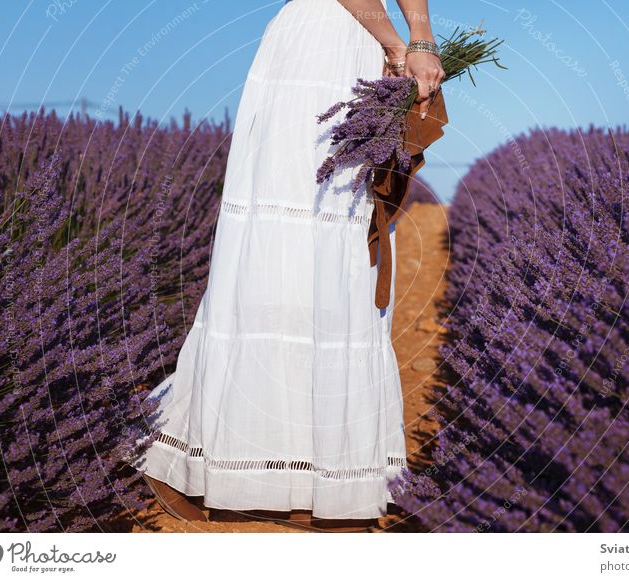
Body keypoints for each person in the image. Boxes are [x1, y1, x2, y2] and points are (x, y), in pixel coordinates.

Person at [123, 0, 445, 532]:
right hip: (319, 45)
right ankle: (249, 468)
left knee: (337, 237)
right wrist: (399, 43)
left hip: (360, 46)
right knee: (297, 233)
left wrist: (419, 38)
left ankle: (317, 475)